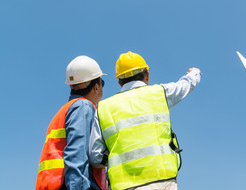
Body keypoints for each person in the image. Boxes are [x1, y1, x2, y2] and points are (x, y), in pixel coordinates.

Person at [89, 51, 201, 190]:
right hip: (164, 182)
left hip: (124, 186)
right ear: (147, 74)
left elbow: (95, 157)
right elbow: (185, 86)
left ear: (119, 82)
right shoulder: (160, 93)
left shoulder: (103, 108)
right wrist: (194, 73)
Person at [36, 56, 107, 190]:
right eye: (102, 83)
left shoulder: (65, 110)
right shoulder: (83, 106)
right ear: (96, 87)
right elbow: (77, 155)